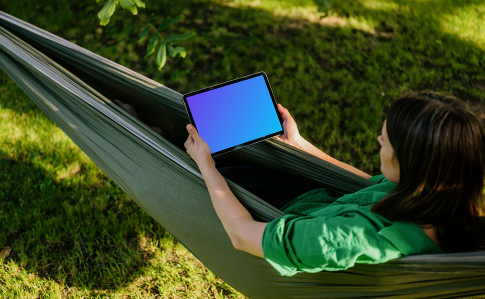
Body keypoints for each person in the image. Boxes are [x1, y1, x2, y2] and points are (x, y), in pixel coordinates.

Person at [184, 92, 485, 276]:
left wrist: (206, 165)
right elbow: (367, 184)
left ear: (413, 165)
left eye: (386, 140)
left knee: (204, 167)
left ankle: (151, 137)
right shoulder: (445, 196)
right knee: (240, 154)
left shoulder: (346, 238)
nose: (379, 140)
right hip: (320, 201)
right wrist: (301, 145)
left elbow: (242, 235)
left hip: (283, 217)